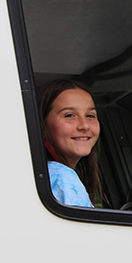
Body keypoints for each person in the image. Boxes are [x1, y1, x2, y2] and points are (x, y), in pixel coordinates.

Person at [37, 79, 102, 208]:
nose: (84, 126)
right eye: (69, 115)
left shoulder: (45, 173)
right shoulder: (62, 177)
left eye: (90, 115)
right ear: (43, 126)